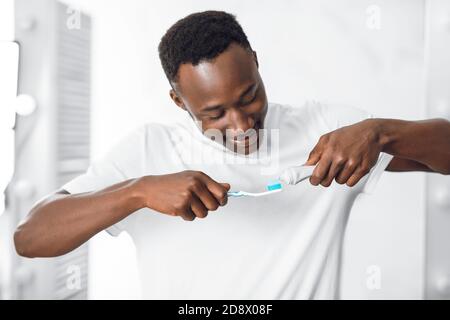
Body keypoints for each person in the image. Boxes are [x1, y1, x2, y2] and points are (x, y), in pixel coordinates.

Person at [14, 11, 450, 299]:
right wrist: (138, 192)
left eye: (249, 97)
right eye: (214, 113)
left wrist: (381, 132)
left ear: (257, 65)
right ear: (178, 101)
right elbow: (30, 238)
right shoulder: (149, 150)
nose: (242, 125)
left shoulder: (325, 128)